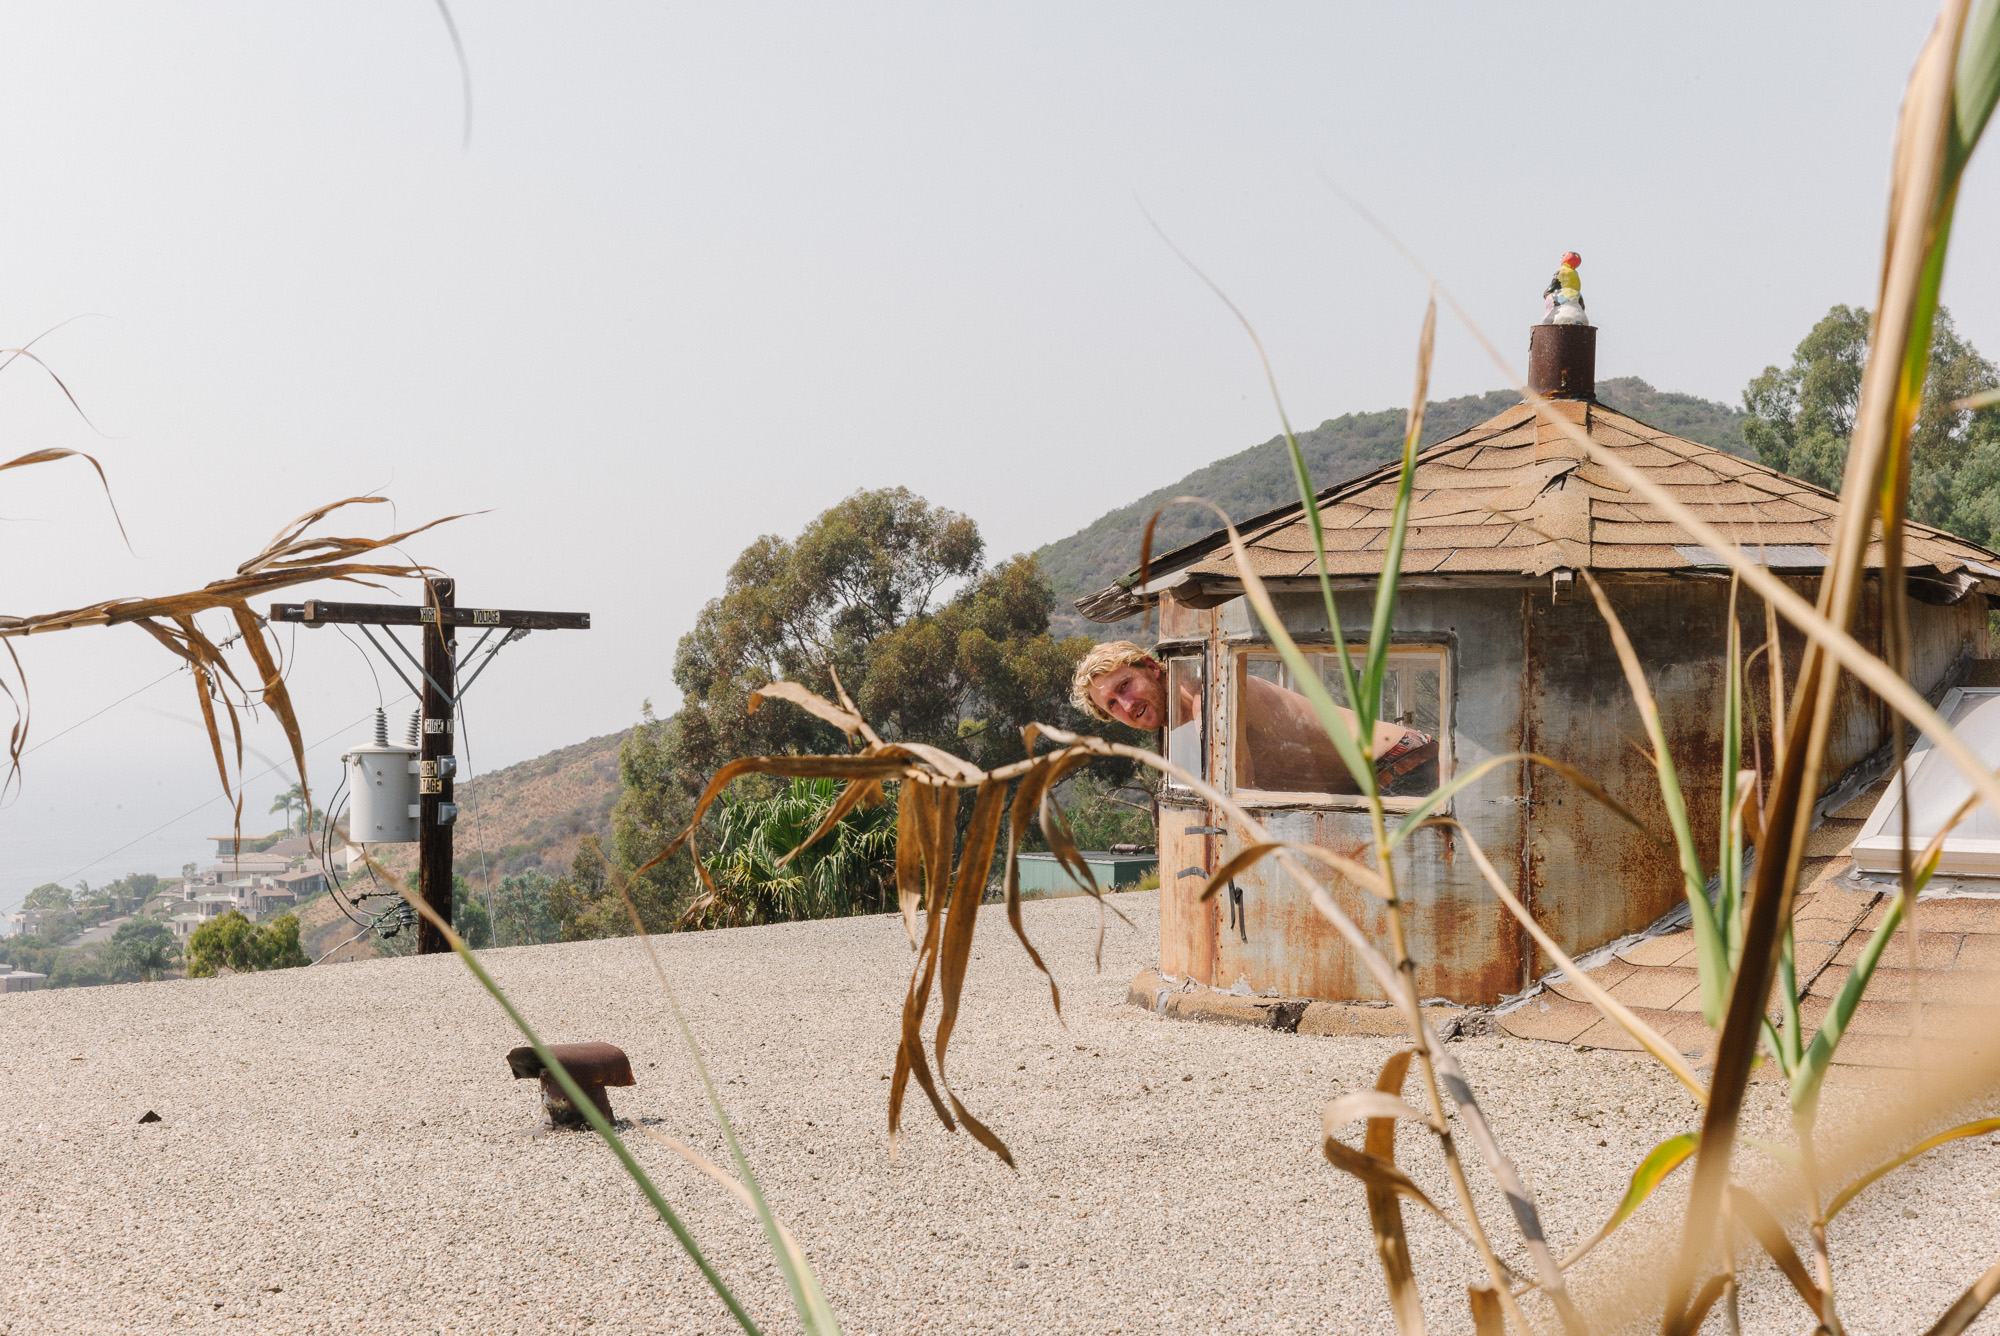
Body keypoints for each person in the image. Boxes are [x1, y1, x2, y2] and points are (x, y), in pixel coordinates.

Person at [1069, 641, 1437, 795]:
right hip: (1358, 788)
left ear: (1152, 668)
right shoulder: (1178, 732)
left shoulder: (1208, 696)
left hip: (1399, 762)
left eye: (1125, 685)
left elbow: (1233, 795)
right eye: (1112, 704)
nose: (1126, 703)